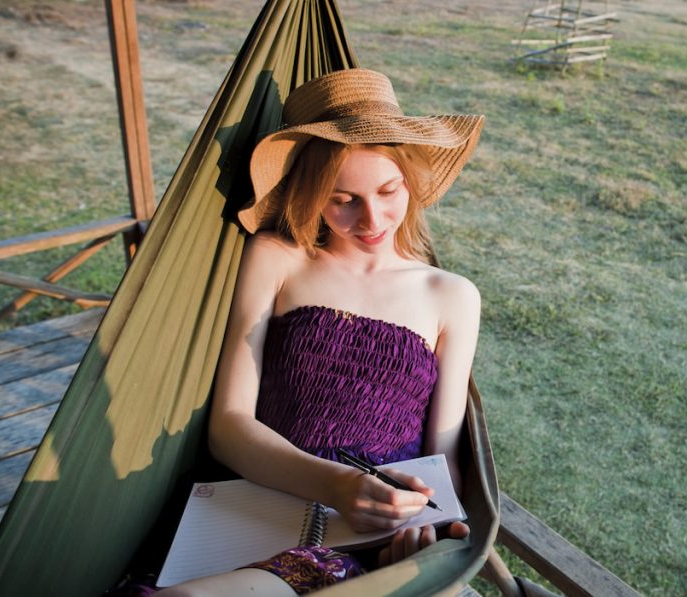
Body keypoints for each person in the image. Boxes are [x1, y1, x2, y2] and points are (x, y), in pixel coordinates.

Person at [155, 68, 484, 596]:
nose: (371, 218)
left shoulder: (450, 296)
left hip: (369, 536)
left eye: (387, 189)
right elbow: (229, 425)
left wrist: (426, 530)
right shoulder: (279, 259)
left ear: (410, 179)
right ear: (309, 193)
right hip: (263, 506)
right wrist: (337, 482)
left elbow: (444, 457)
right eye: (341, 198)